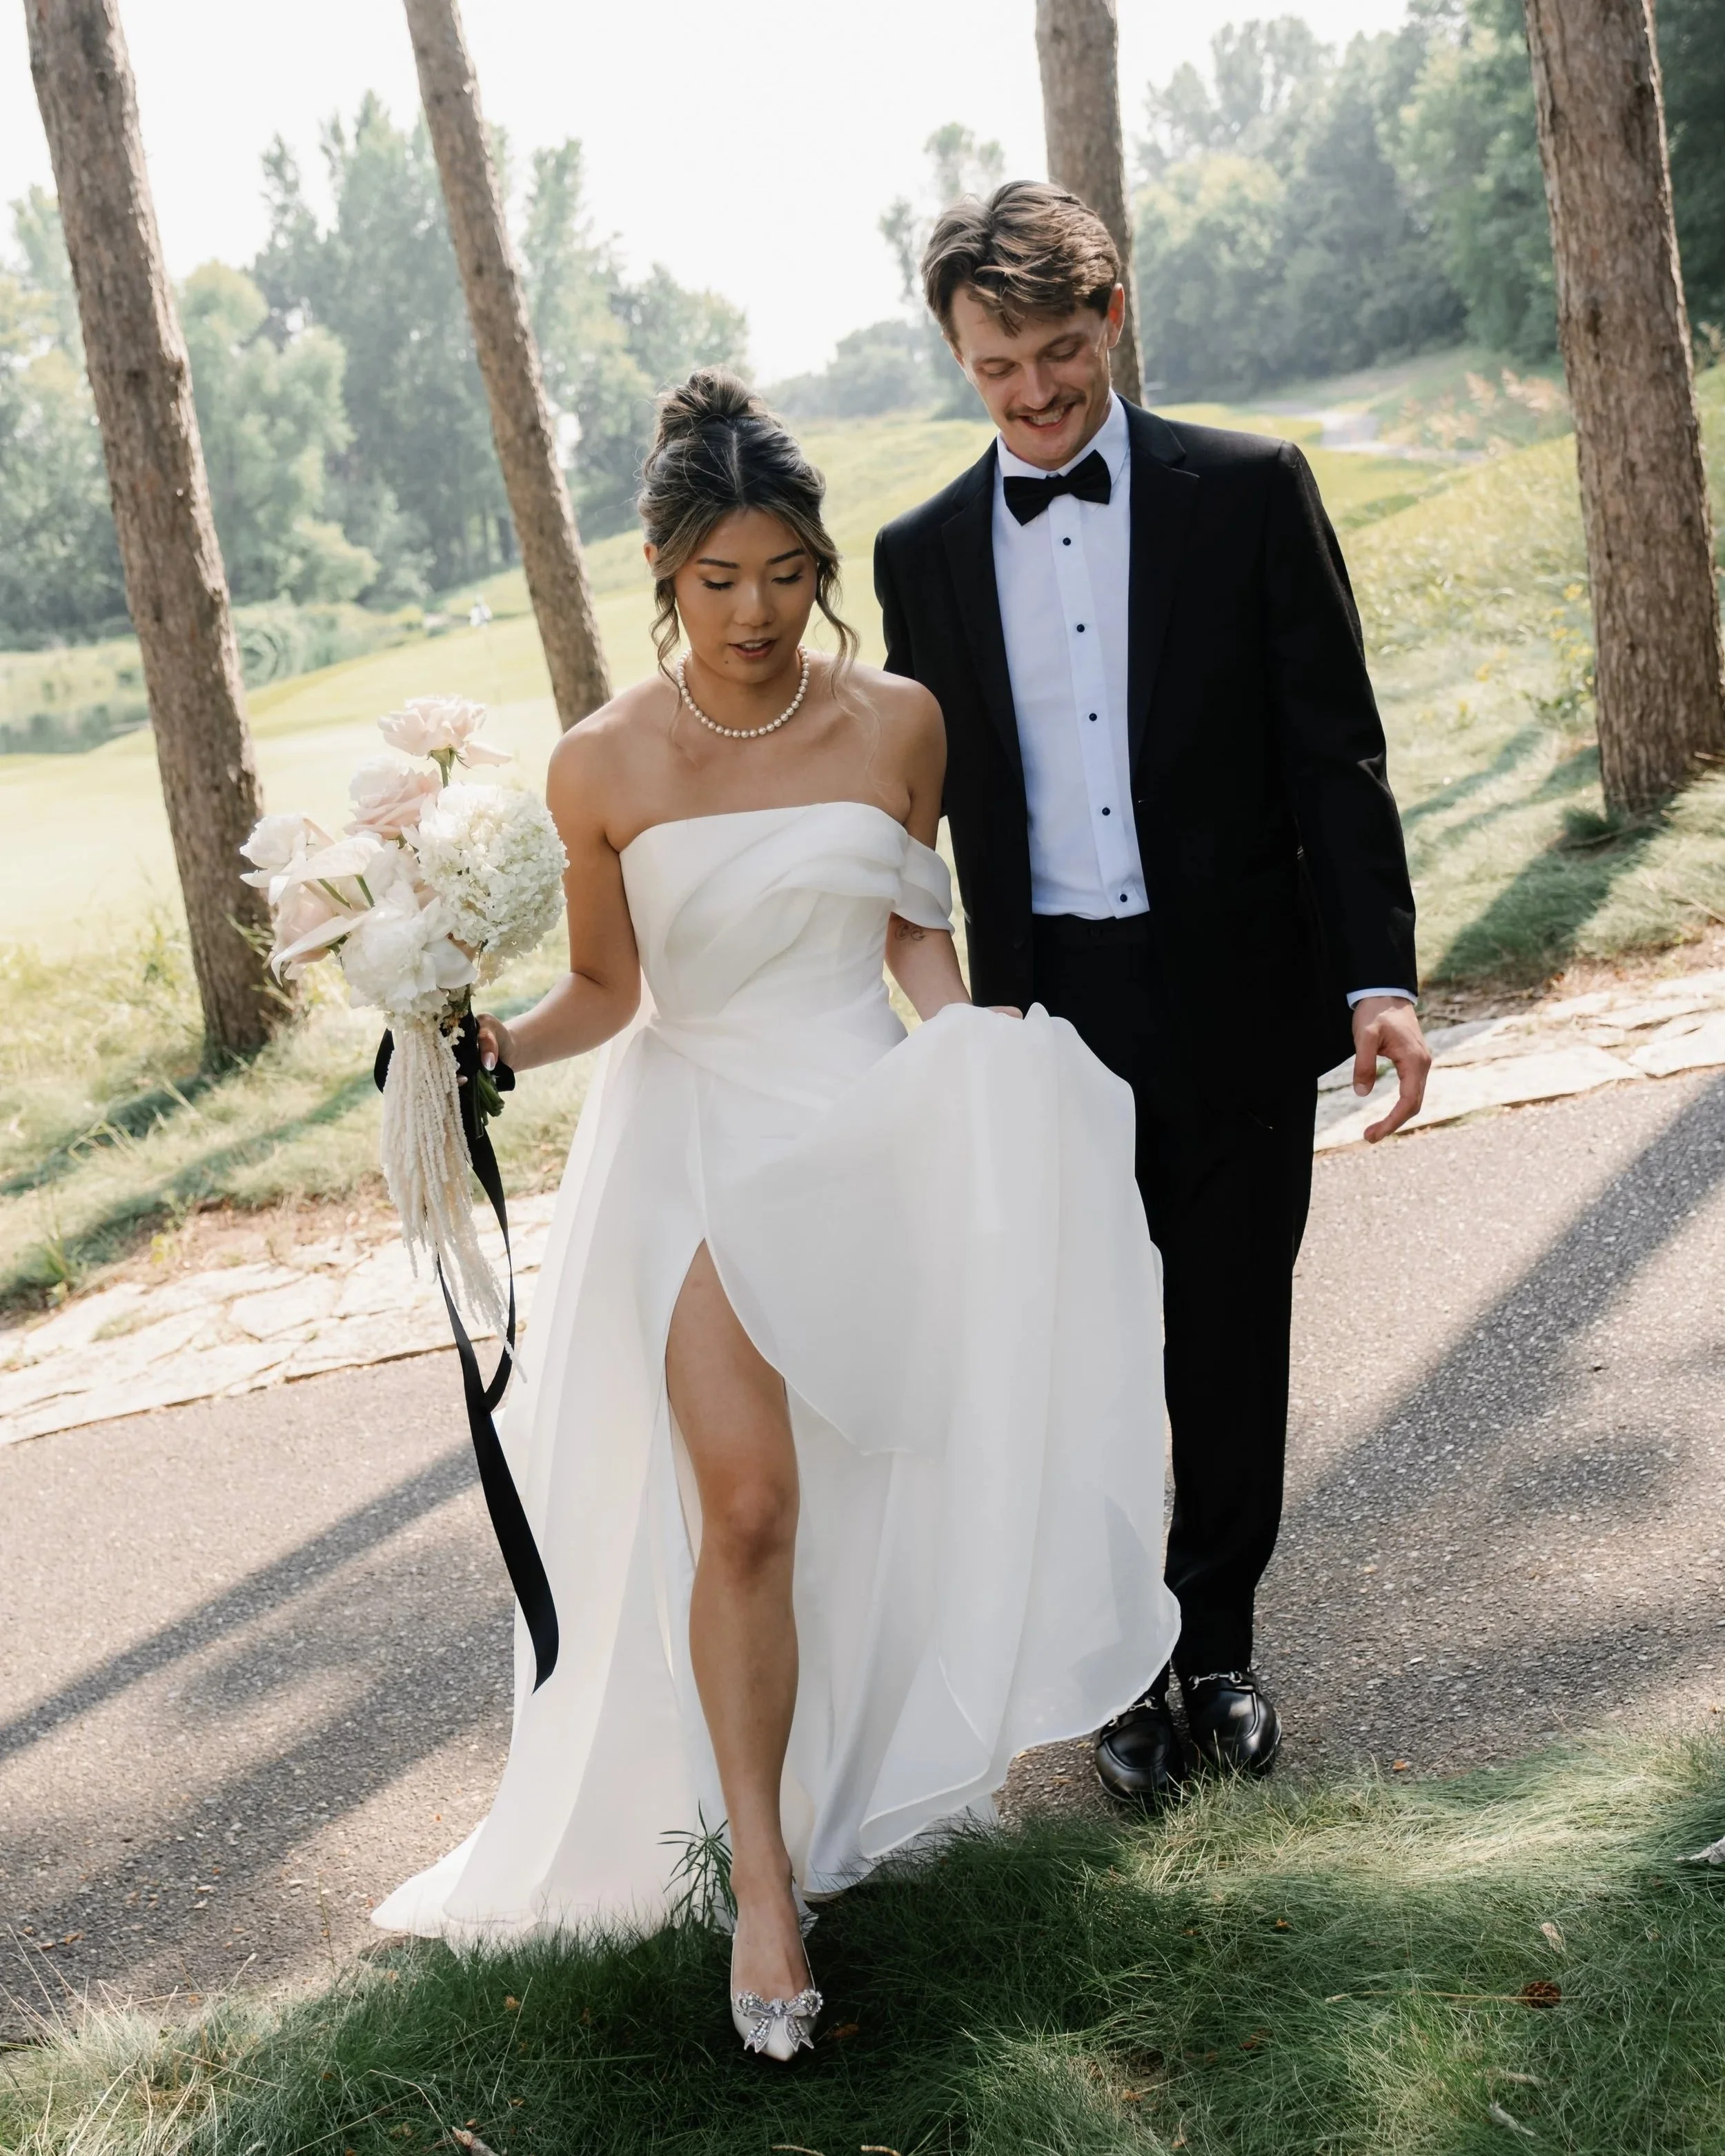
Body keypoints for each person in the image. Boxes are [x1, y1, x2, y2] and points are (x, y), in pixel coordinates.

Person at [372, 371, 1180, 2060]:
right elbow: (608, 988)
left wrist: (976, 1078)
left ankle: (856, 1770)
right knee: (744, 1504)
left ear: (821, 564)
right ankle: (759, 1876)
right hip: (692, 1144)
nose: (755, 612)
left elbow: (909, 939)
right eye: (716, 579)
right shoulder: (599, 761)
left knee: (870, 1486)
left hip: (859, 1124)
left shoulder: (896, 723)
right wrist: (485, 1042)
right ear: (661, 573)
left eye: (786, 573)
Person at [874, 182, 1430, 1811]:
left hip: (1242, 991)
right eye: (997, 371)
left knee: (1228, 1331)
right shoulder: (922, 556)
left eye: (1060, 355)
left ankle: (1221, 1645)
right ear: (957, 358)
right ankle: (1117, 1672)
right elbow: (909, 803)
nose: (1036, 397)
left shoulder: (1248, 491)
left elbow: (1334, 750)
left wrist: (1374, 976)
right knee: (1089, 1352)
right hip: (1050, 1015)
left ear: (1110, 318)